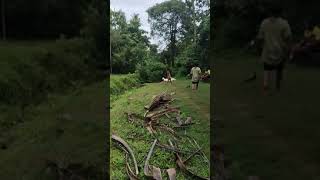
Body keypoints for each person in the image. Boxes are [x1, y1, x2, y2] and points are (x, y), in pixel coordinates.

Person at [254, 4, 292, 94]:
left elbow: (260, 37)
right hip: (280, 50)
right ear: (280, 13)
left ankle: (265, 84)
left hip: (267, 50)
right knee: (279, 68)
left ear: (270, 13)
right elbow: (288, 38)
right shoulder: (284, 23)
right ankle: (277, 85)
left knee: (266, 67)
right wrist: (288, 49)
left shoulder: (264, 22)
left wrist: (258, 48)